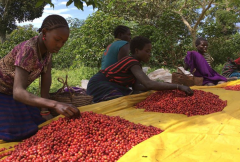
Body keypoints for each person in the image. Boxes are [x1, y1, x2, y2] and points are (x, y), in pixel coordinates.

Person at [0, 14, 80, 141]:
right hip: (4, 92)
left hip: (12, 93)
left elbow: (46, 79)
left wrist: (44, 110)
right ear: (44, 32)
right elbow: (18, 92)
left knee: (38, 124)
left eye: (63, 42)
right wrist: (54, 104)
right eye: (57, 39)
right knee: (15, 133)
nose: (60, 45)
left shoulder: (47, 52)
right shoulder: (28, 50)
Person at [87, 36, 193, 103]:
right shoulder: (131, 61)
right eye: (147, 51)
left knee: (130, 98)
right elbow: (148, 84)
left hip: (112, 85)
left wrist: (158, 88)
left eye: (150, 51)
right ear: (137, 51)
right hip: (100, 84)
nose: (149, 54)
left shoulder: (137, 65)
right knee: (119, 102)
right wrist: (178, 86)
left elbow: (137, 86)